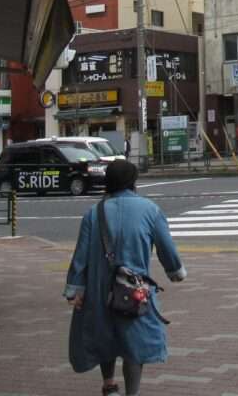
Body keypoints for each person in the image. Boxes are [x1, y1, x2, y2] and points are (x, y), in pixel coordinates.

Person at [65, 160, 186, 396]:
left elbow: (80, 256)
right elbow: (166, 247)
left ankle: (109, 385)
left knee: (105, 339)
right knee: (134, 344)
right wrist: (175, 271)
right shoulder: (150, 210)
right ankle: (133, 393)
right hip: (134, 291)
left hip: (99, 289)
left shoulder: (94, 213)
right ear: (133, 182)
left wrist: (74, 290)